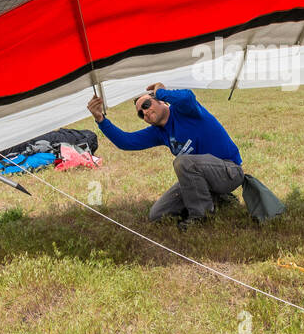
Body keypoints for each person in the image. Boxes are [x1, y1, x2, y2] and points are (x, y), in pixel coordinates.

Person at [87, 82, 243, 229]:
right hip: (202, 178)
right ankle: (220, 199)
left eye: (146, 105)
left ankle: (202, 217)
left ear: (162, 102)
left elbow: (188, 97)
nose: (145, 112)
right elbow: (126, 142)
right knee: (157, 214)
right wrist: (100, 119)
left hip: (229, 171)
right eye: (141, 114)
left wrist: (161, 92)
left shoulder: (185, 111)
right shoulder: (159, 132)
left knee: (183, 162)